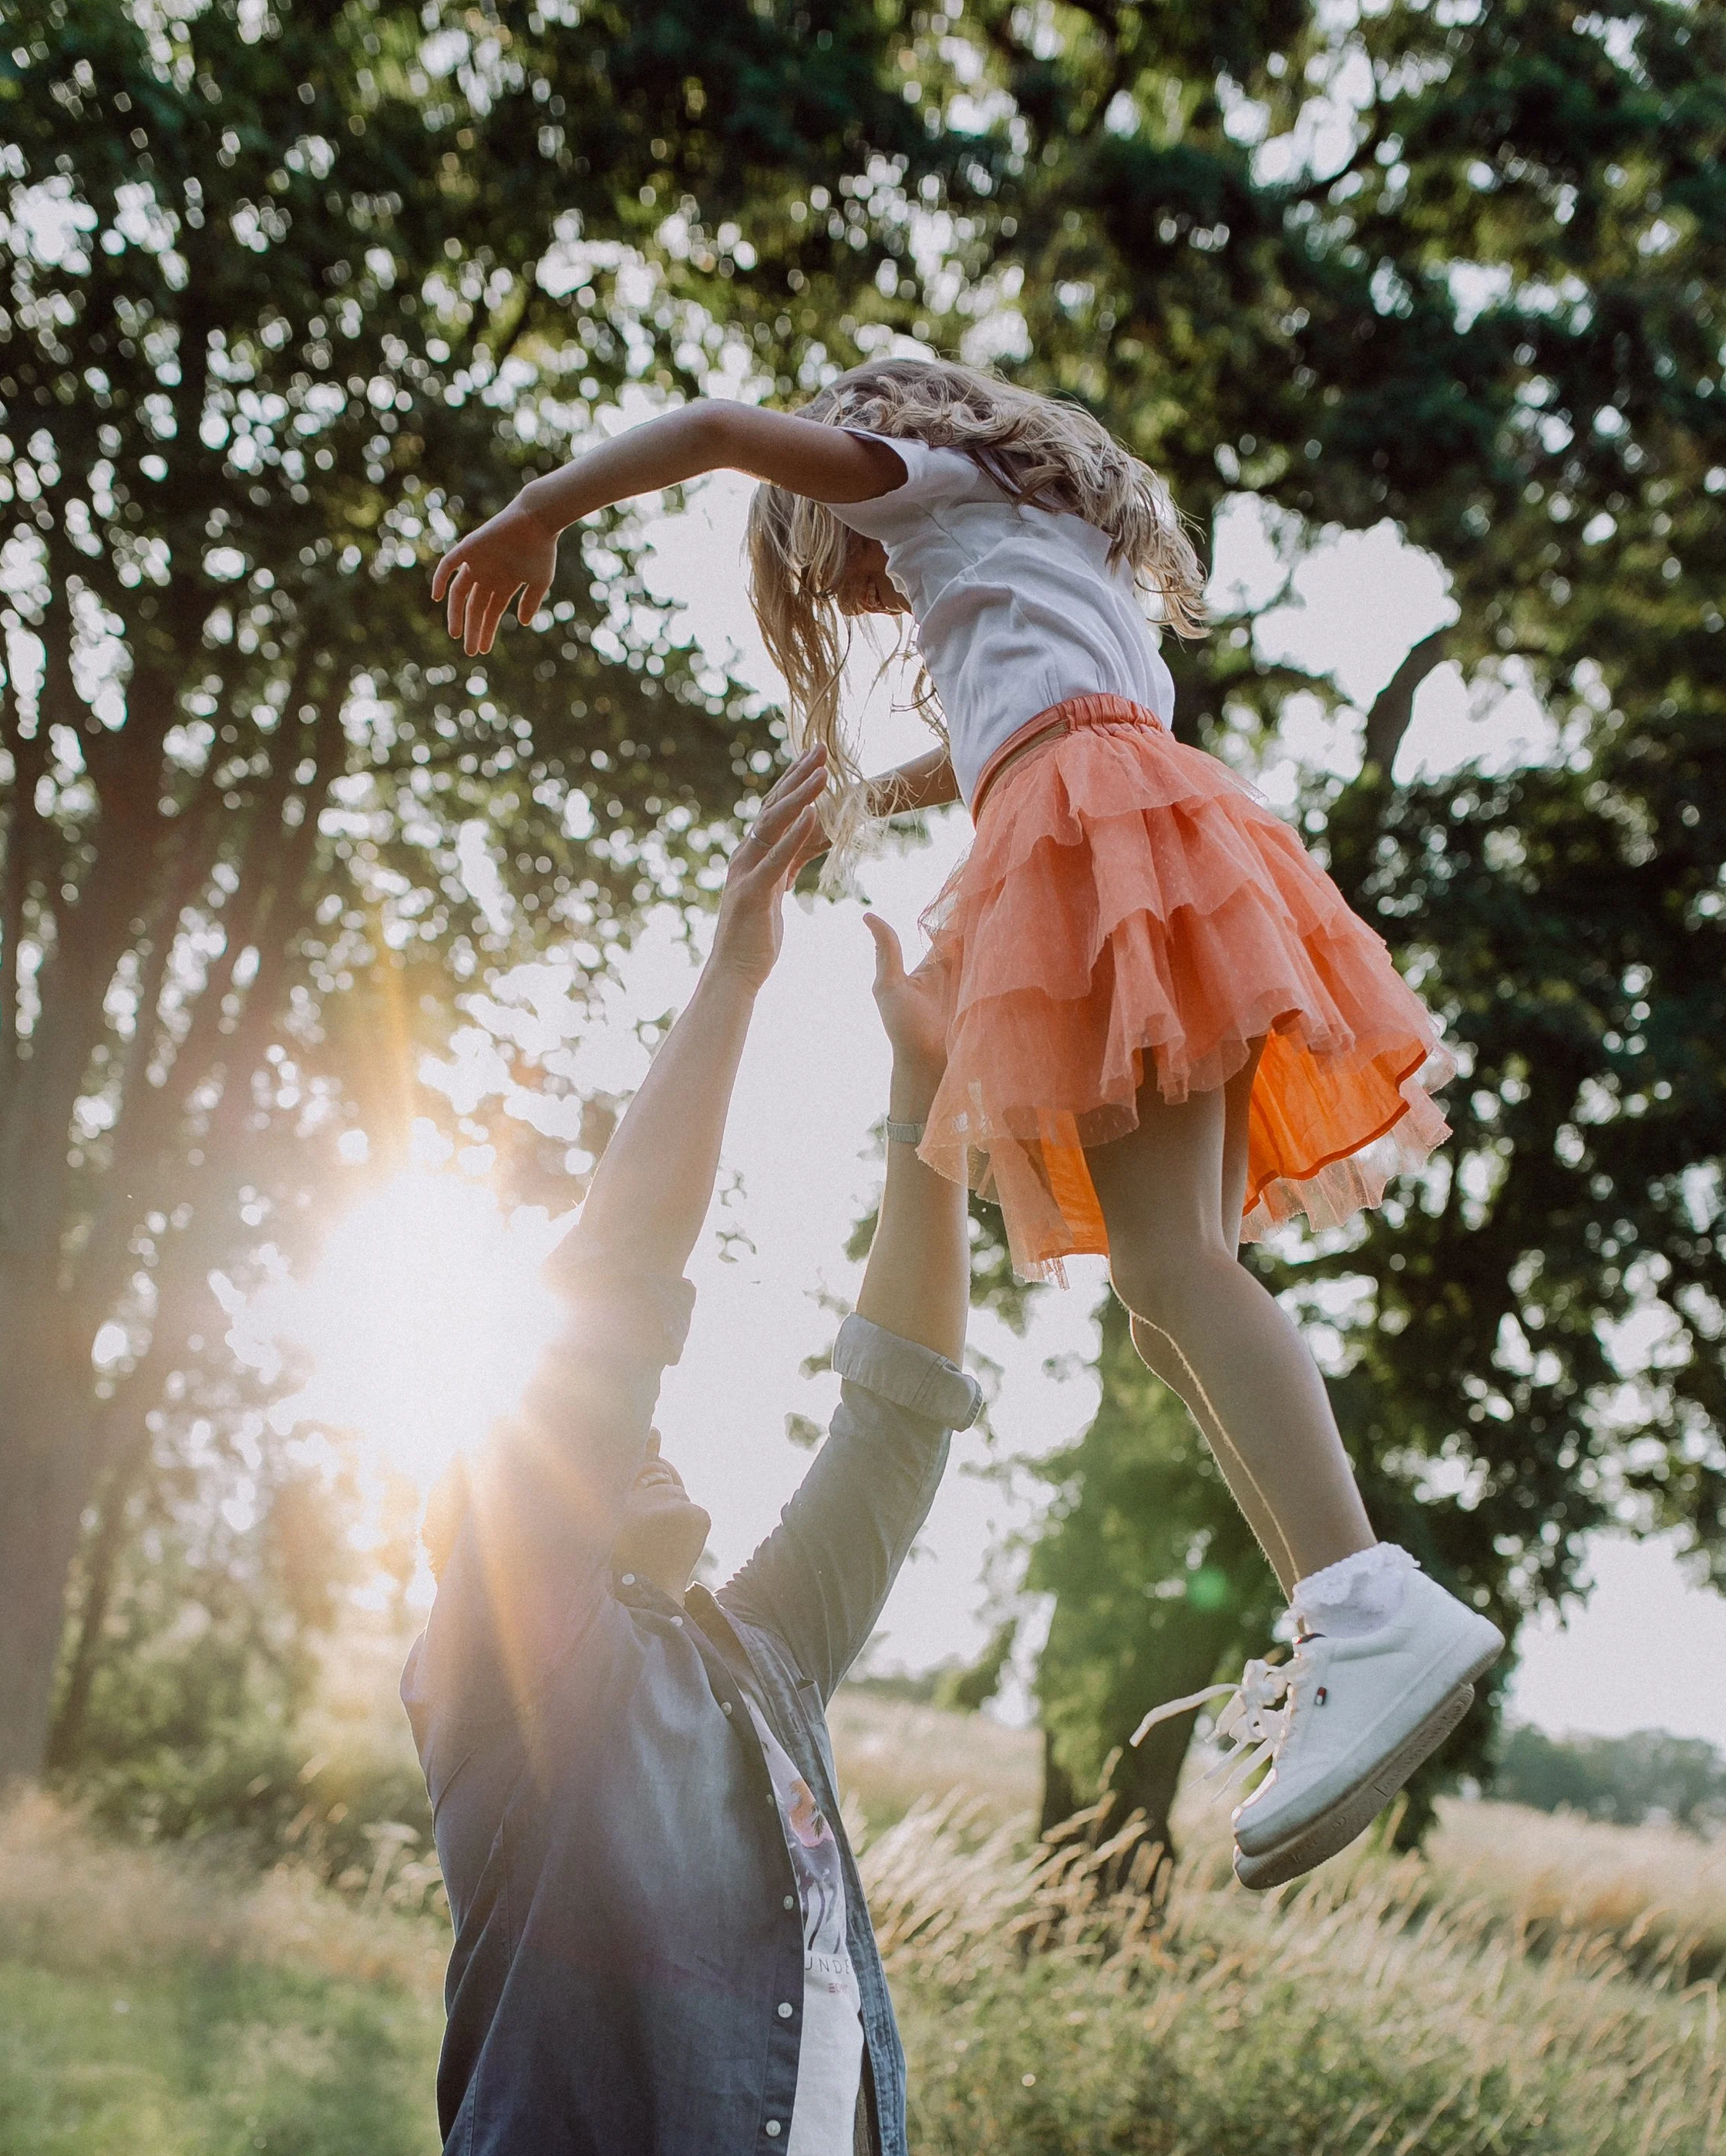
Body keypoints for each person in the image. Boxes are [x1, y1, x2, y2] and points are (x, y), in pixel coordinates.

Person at [432, 357, 1502, 1888]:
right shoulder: (1061, 542)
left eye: (838, 574)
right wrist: (881, 787)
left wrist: (538, 514)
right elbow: (1030, 719)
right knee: (1168, 1281)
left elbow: (720, 433)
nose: (864, 603)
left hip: (1094, 847)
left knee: (1170, 1276)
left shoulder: (916, 480)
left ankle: (1362, 1601)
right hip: (1158, 835)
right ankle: (1342, 1608)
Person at [330, 749, 981, 2156]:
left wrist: (927, 1108)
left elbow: (891, 1417)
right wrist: (732, 963)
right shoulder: (526, 1684)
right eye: (595, 1432)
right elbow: (611, 1304)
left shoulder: (752, 1669)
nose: (649, 1435)